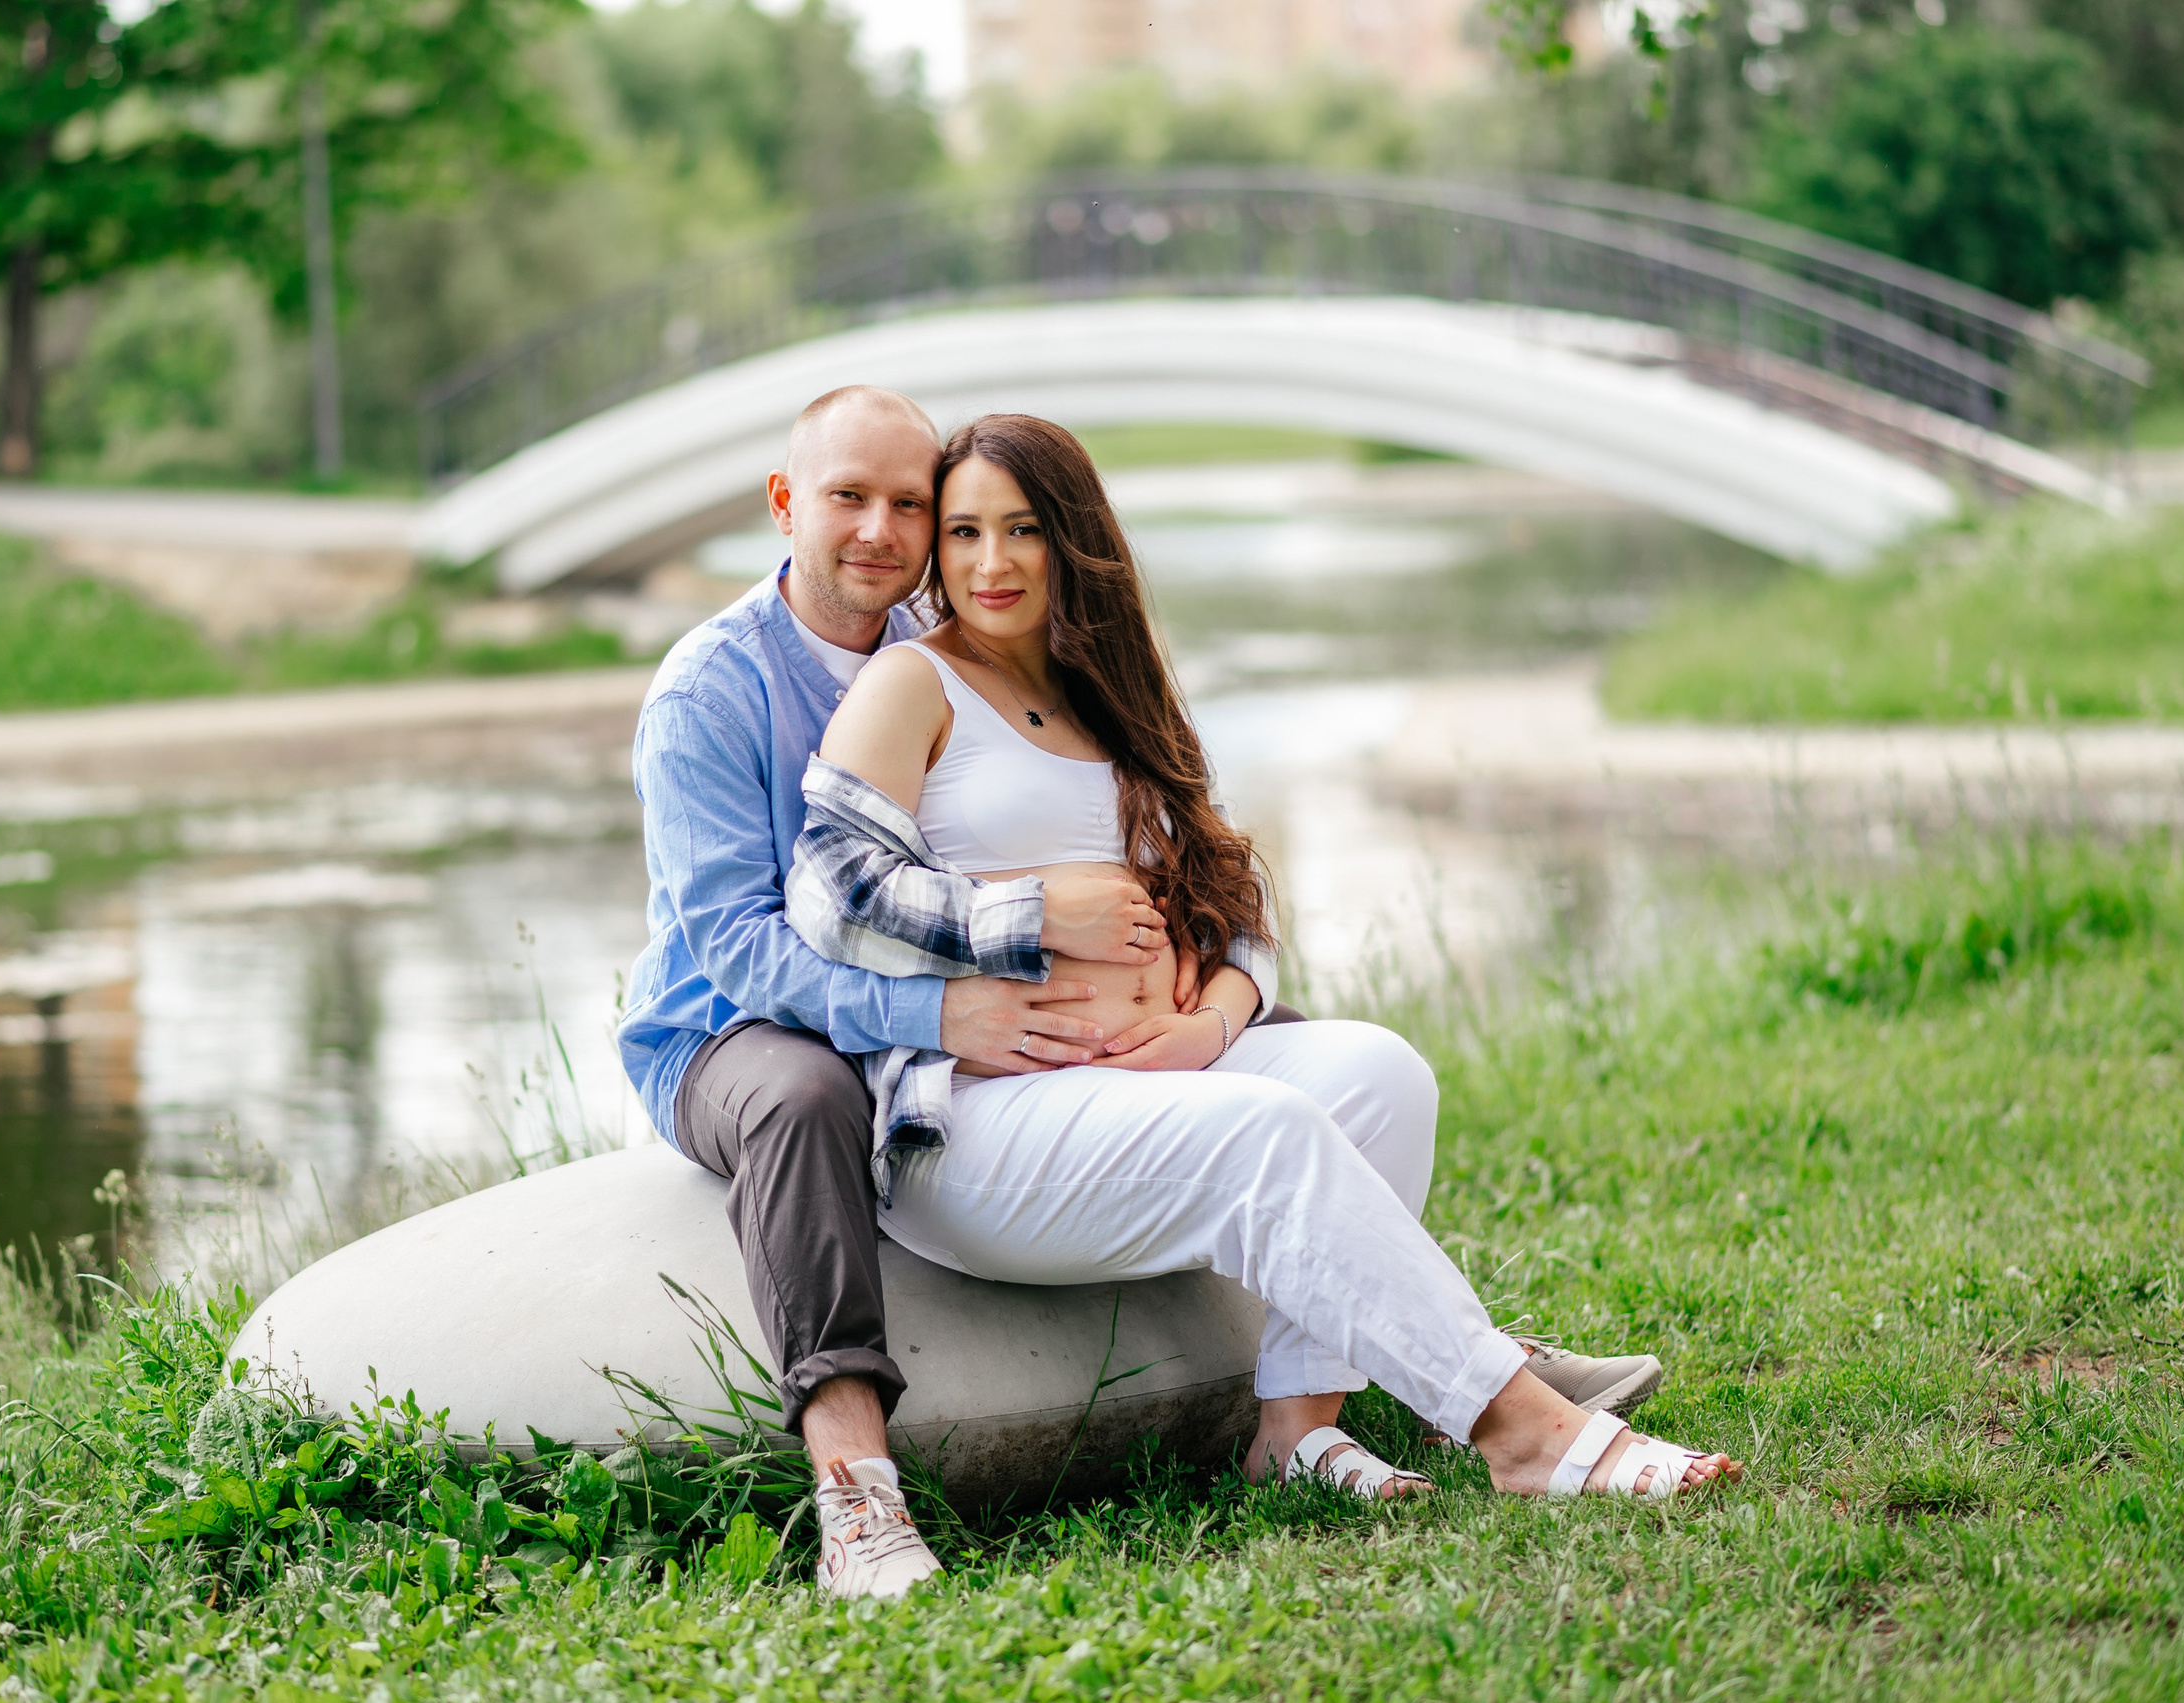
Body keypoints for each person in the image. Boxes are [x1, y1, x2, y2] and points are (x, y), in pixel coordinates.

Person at [620, 388, 1684, 1603]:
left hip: (1046, 1044)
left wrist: (1208, 1008)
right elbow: (765, 936)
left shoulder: (1021, 654)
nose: (902, 534)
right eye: (856, 502)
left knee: (1368, 1070)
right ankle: (856, 1485)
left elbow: (1219, 878)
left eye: (918, 507)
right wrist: (982, 976)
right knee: (802, 1093)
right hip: (736, 1020)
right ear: (784, 505)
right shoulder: (730, 686)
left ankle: (1318, 1410)